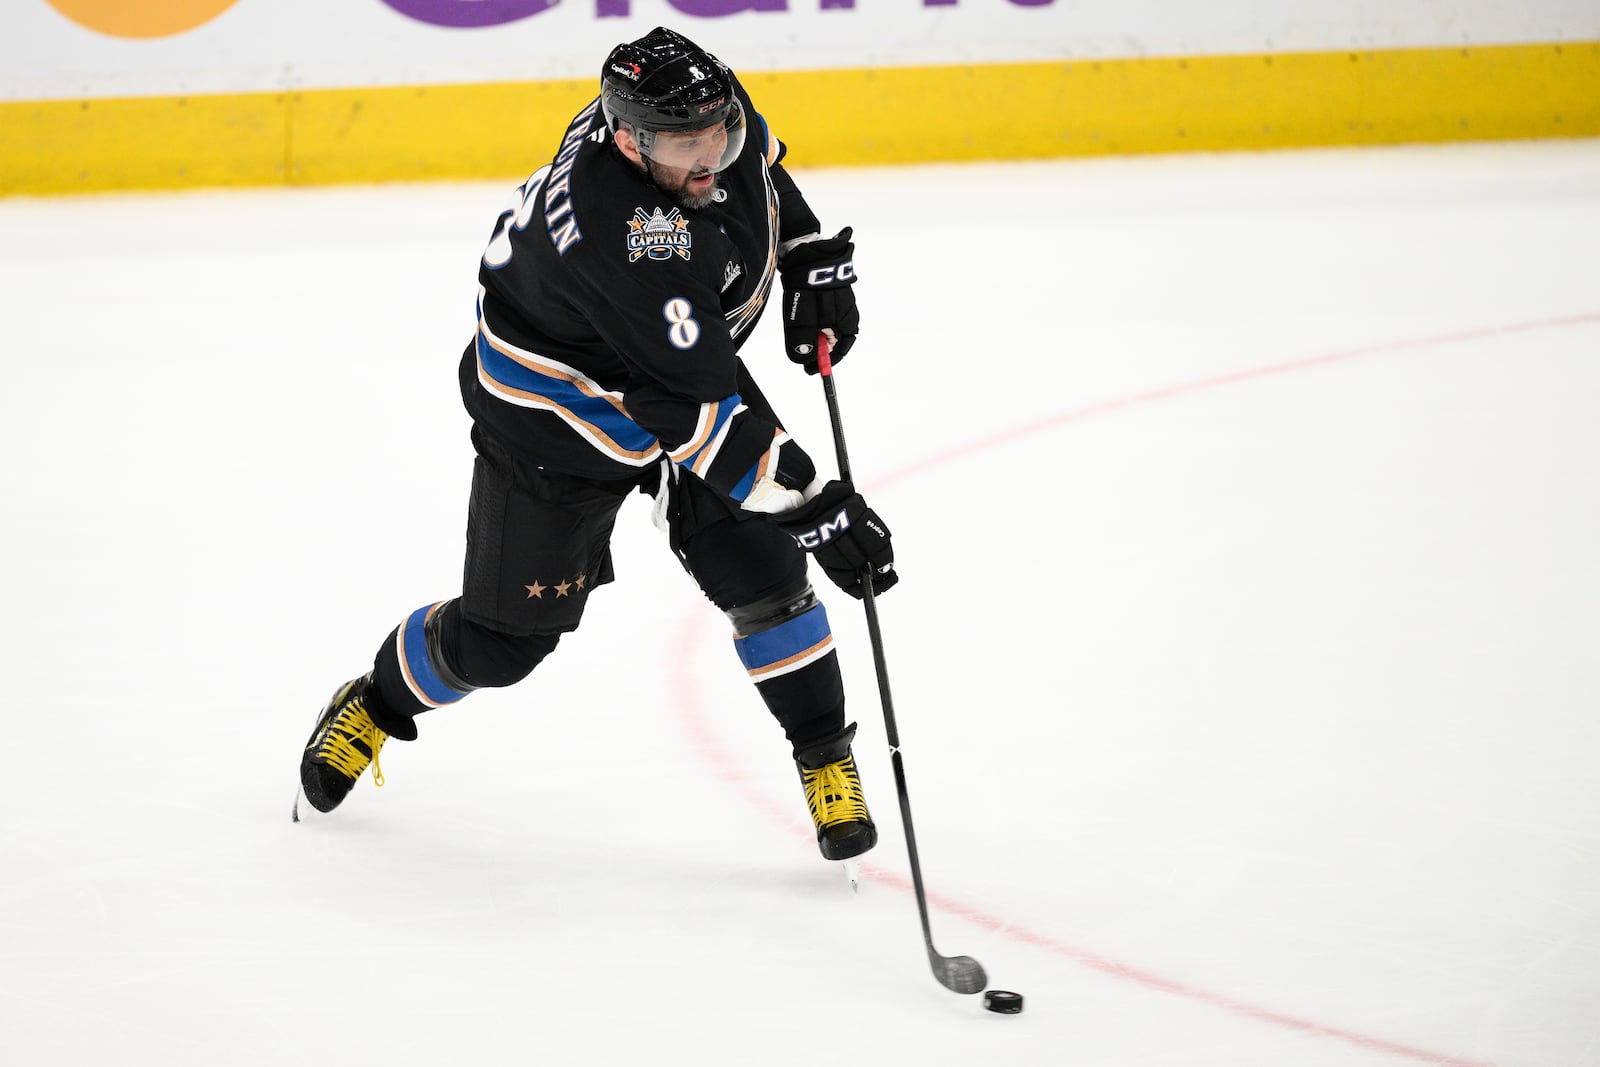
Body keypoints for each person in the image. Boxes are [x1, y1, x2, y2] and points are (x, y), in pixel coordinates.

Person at [295, 26, 897, 863]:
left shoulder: (695, 115)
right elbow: (690, 417)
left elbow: (757, 171)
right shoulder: (627, 232)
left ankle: (826, 754)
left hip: (675, 366)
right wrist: (817, 510)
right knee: (503, 644)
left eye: (718, 131)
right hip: (558, 412)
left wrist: (806, 253)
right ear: (626, 140)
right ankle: (374, 701)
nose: (710, 158)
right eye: (688, 146)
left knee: (765, 576)